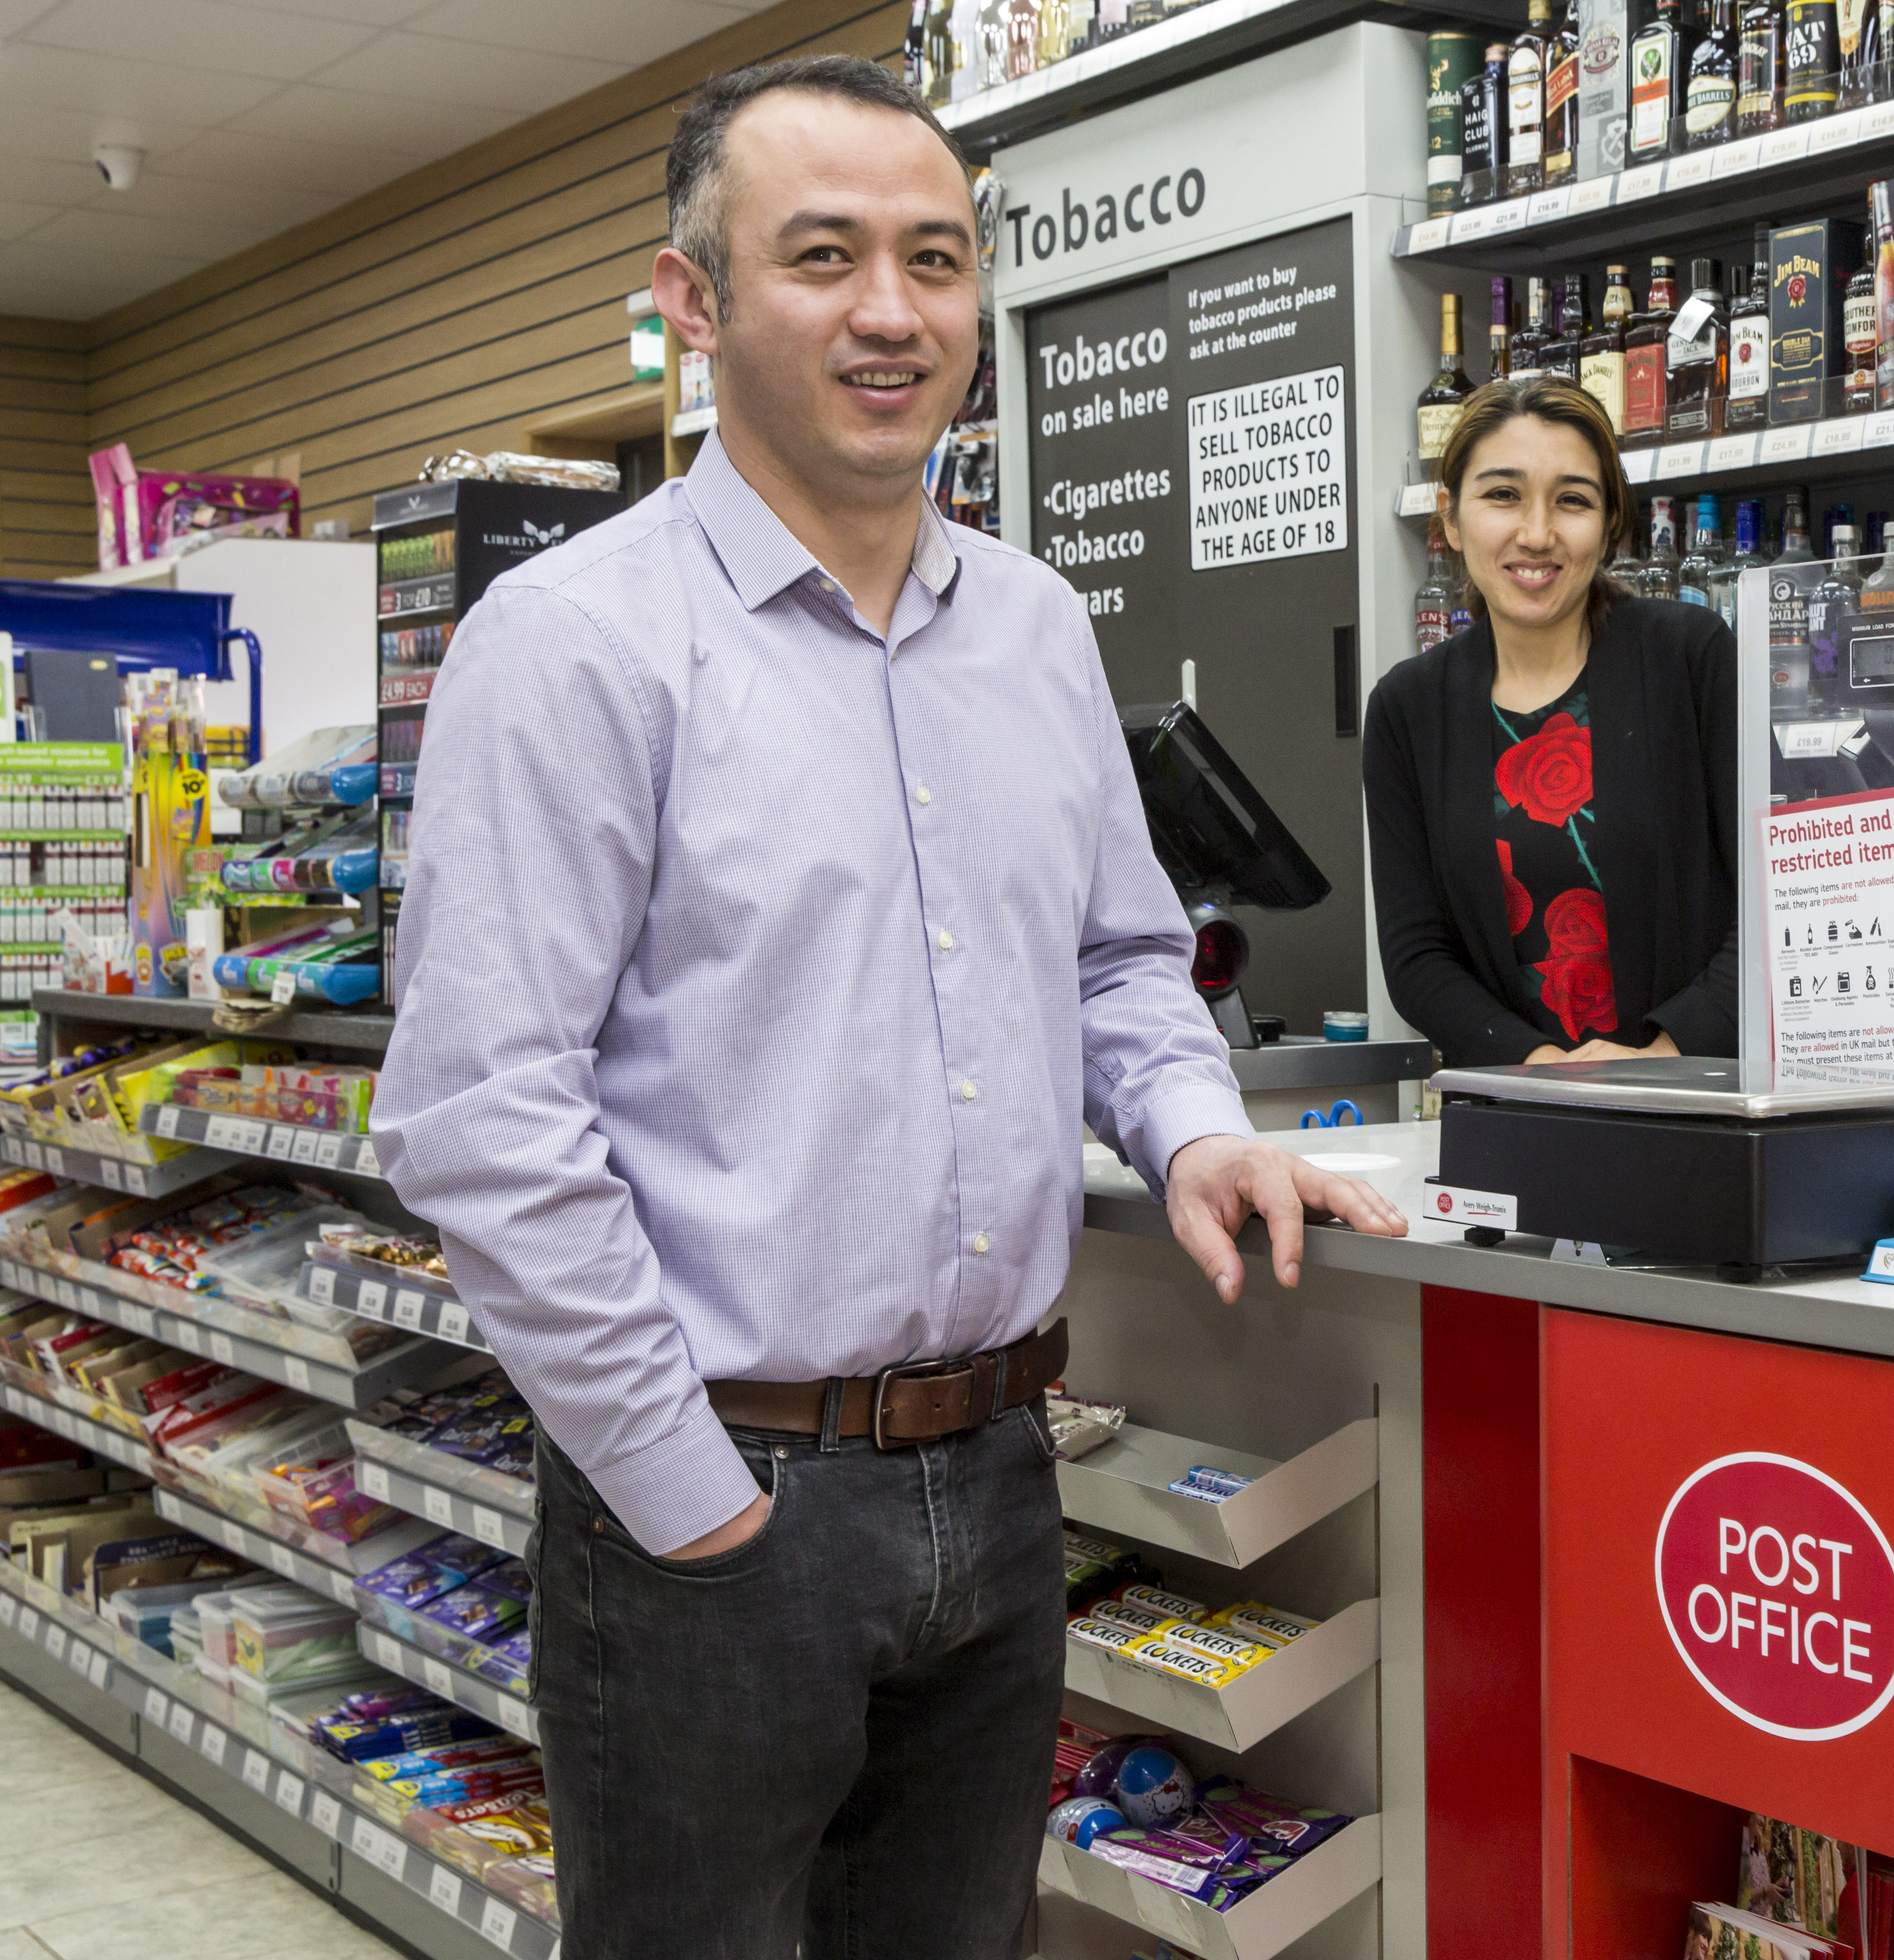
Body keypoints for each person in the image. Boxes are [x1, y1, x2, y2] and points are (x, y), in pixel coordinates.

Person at [371, 55, 1403, 1960]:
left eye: (935, 259)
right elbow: (481, 1115)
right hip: (718, 1484)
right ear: (693, 302)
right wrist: (686, 1495)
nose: (890, 310)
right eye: (822, 255)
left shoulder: (1031, 627)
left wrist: (1189, 1125)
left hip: (1002, 1480)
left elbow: (1116, 957)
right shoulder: (579, 642)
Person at [1363, 376, 1737, 1065]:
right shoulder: (1407, 708)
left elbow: (1772, 900)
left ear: (1610, 521)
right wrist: (1537, 1067)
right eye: (1503, 494)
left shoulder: (1693, 657)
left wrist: (1666, 1049)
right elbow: (1418, 955)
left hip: (1697, 1103)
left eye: (1572, 500)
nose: (1537, 534)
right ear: (1449, 517)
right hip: (1510, 1110)